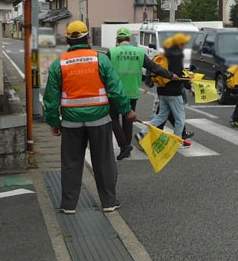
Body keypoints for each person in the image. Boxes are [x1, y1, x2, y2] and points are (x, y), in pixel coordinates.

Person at [43, 21, 136, 214]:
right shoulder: (100, 60)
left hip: (70, 122)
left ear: (68, 40)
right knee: (104, 162)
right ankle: (109, 202)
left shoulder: (58, 64)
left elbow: (50, 98)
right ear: (88, 38)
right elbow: (116, 89)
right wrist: (126, 111)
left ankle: (69, 205)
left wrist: (53, 122)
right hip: (100, 120)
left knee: (71, 163)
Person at [106, 27, 179, 160]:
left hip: (115, 92)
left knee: (114, 119)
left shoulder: (111, 52)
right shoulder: (139, 52)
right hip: (132, 92)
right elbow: (154, 67)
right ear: (129, 39)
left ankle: (124, 145)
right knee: (128, 120)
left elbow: (104, 72)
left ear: (117, 40)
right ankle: (126, 147)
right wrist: (170, 75)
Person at [135, 33, 192, 148]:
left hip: (162, 91)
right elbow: (178, 74)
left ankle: (143, 133)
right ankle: (176, 142)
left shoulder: (164, 55)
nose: (185, 45)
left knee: (161, 115)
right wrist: (188, 85)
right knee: (180, 118)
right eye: (184, 43)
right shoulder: (177, 56)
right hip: (174, 92)